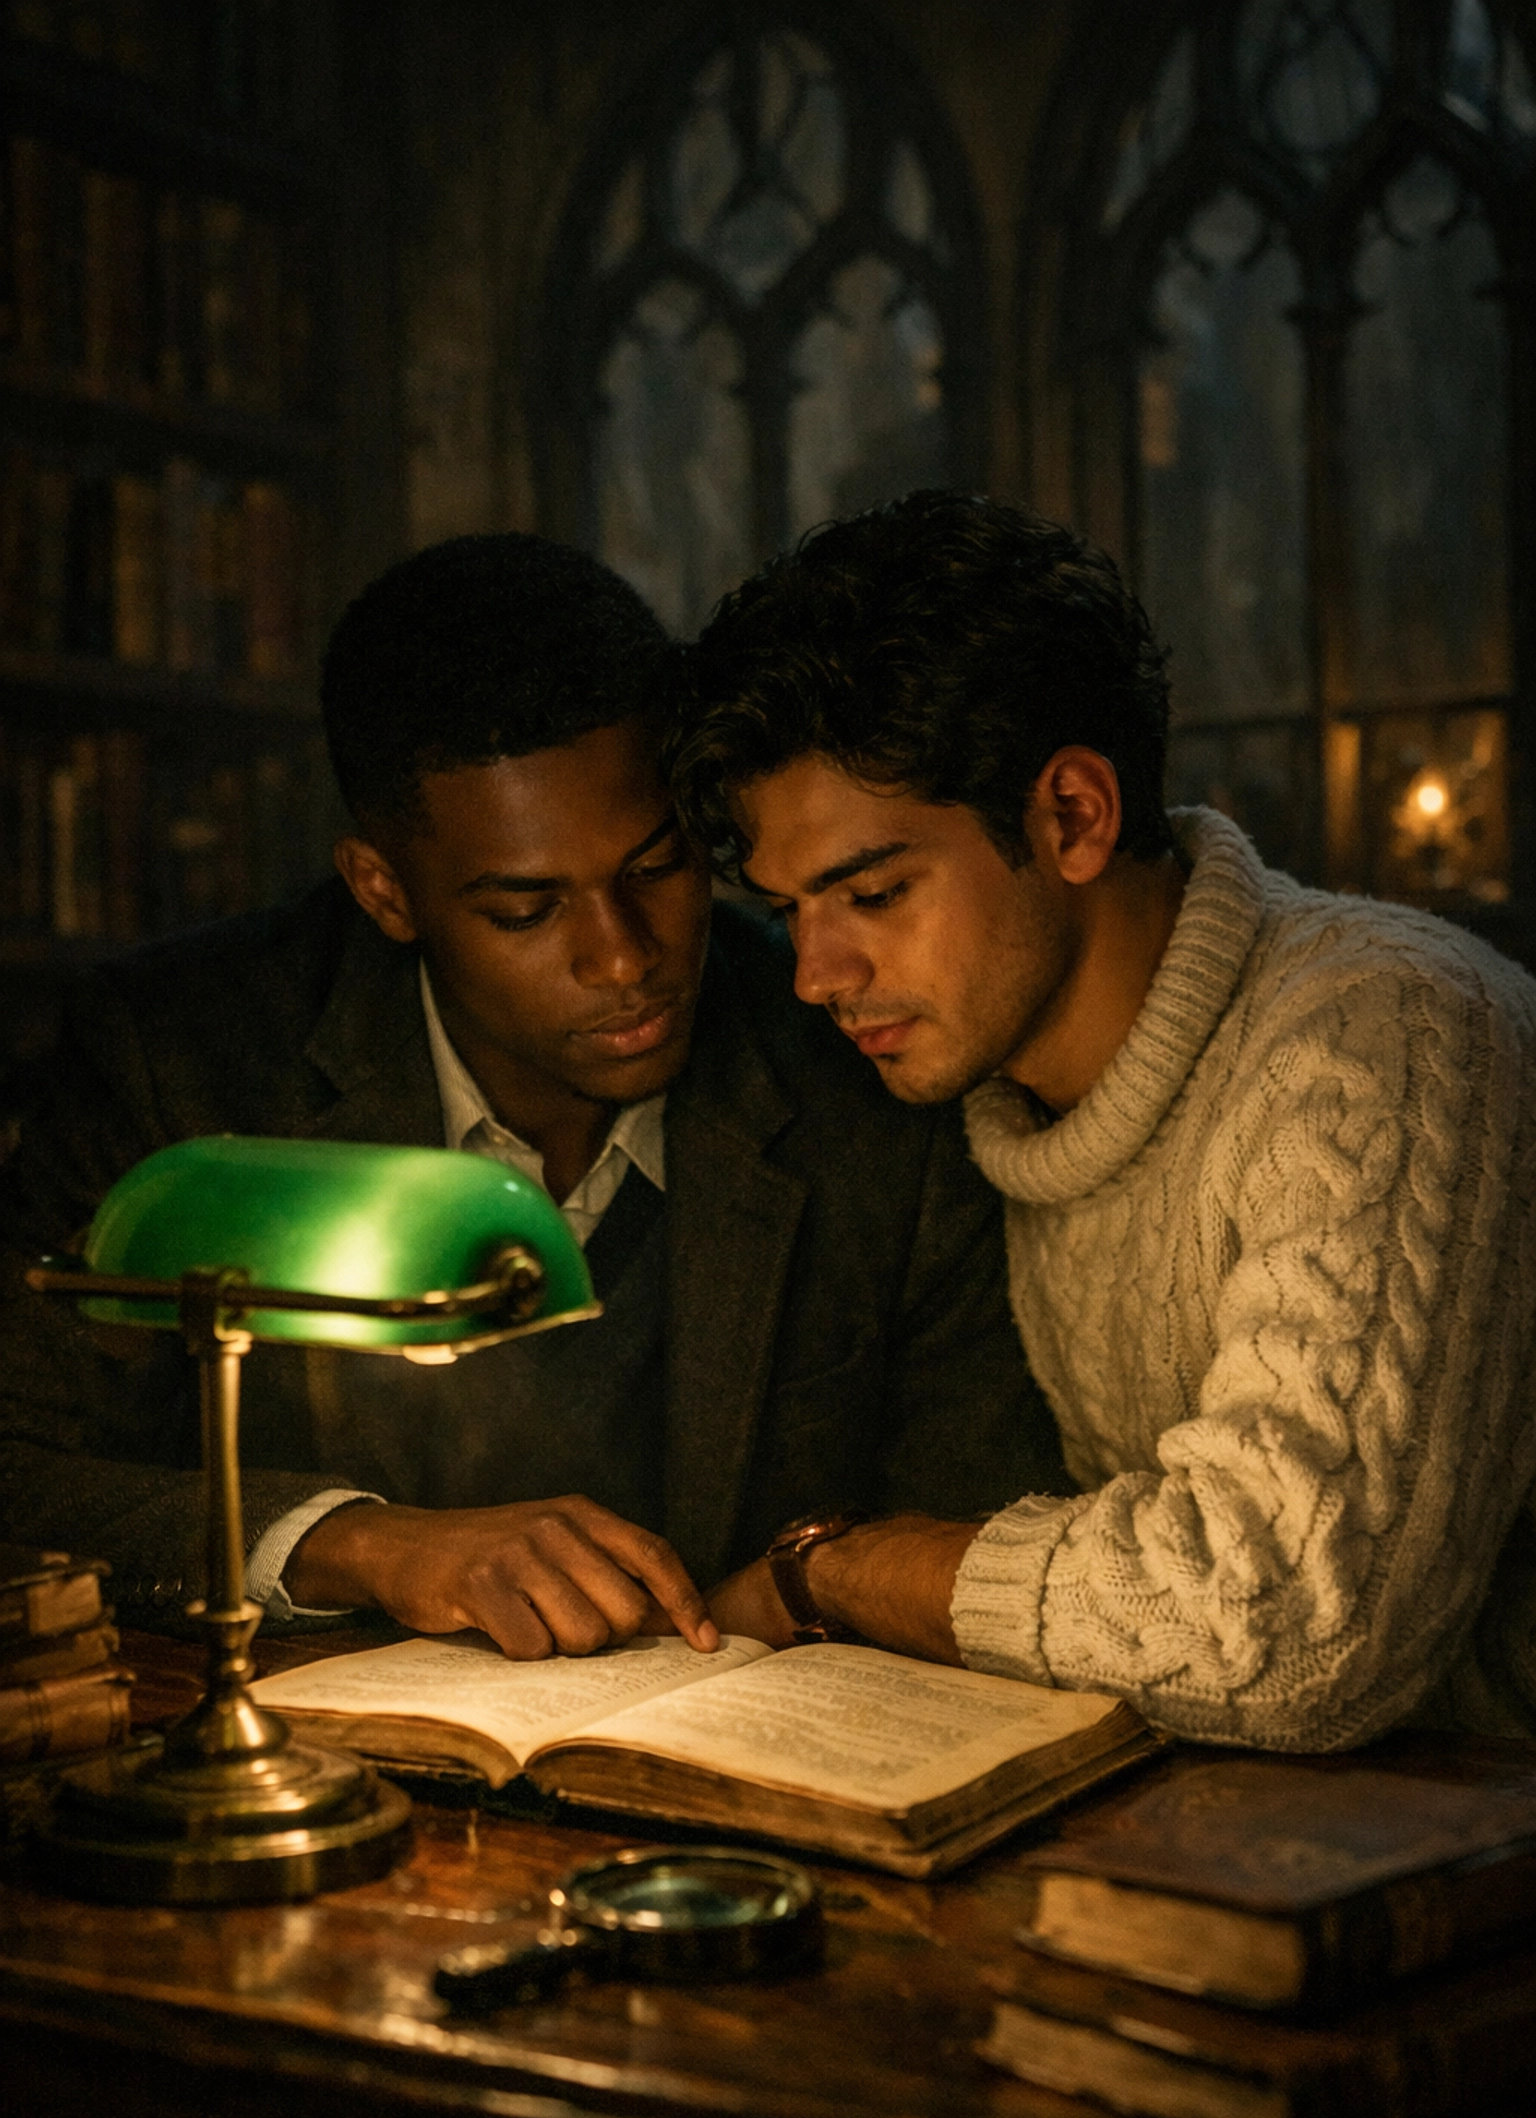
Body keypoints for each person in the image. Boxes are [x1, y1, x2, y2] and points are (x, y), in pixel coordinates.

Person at [0, 533, 1063, 1658]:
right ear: (384, 891)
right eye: (526, 910)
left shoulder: (860, 1067)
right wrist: (358, 1543)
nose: (623, 958)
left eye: (657, 868)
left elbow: (978, 1522)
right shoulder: (181, 1062)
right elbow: (18, 1471)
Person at [666, 490, 1536, 1749]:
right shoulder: (992, 1102)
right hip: (1266, 1821)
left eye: (876, 892)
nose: (816, 976)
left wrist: (831, 1571)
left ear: (1072, 815)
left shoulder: (1386, 1031)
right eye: (788, 911)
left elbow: (1292, 1626)